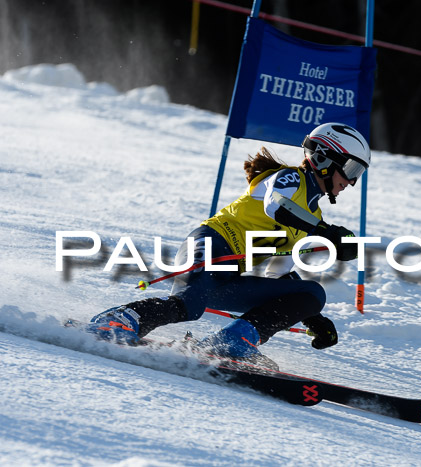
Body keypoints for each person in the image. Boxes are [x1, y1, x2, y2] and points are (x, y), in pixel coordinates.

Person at [85, 122, 370, 362]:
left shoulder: (312, 214)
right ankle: (120, 320)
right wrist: (325, 232)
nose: (351, 182)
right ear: (322, 158)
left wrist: (309, 315)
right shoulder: (288, 179)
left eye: (357, 174)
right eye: (350, 169)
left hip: (227, 277)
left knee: (312, 294)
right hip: (208, 246)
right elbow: (277, 207)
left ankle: (233, 340)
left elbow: (278, 272)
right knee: (188, 306)